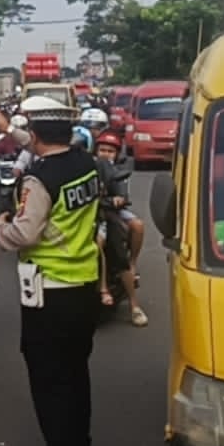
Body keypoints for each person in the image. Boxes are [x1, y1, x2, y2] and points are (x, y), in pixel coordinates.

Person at [0, 97, 102, 446]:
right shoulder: (86, 164)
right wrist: (12, 130)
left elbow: (25, 233)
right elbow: (38, 144)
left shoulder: (38, 180)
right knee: (75, 378)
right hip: (84, 285)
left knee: (51, 384)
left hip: (49, 294)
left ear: (36, 135)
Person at [94, 132, 148, 326]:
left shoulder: (118, 173)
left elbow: (121, 197)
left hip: (110, 215)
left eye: (110, 151)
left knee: (120, 251)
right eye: (102, 150)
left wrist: (116, 200)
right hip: (90, 216)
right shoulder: (87, 169)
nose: (106, 154)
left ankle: (134, 306)